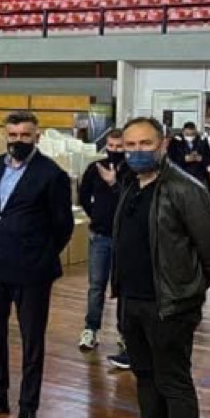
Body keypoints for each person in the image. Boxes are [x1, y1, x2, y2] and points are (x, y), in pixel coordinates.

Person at [105, 117, 210, 418]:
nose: (137, 151)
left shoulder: (185, 189)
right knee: (144, 375)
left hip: (170, 305)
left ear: (163, 144)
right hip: (132, 300)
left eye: (145, 143)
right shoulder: (130, 184)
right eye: (130, 145)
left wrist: (188, 292)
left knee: (174, 382)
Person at [0, 111, 74, 418]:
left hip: (32, 270)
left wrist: (40, 253)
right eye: (12, 135)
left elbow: (63, 226)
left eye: (25, 135)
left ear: (36, 136)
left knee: (31, 341)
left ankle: (28, 408)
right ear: (5, 135)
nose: (18, 141)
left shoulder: (51, 174)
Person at [77, 129, 129, 359]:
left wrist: (115, 182)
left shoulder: (132, 171)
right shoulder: (94, 168)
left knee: (124, 287)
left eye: (119, 147)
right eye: (111, 146)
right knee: (96, 285)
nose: (114, 150)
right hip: (100, 235)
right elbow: (83, 195)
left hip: (125, 238)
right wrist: (95, 215)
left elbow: (132, 201)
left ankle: (125, 332)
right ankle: (91, 328)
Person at [168, 122, 210, 204]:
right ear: (183, 131)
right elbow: (170, 159)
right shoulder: (176, 141)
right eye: (187, 134)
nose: (190, 136)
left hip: (199, 176)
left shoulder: (202, 140)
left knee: (200, 202)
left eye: (192, 134)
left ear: (195, 131)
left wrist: (201, 159)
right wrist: (184, 159)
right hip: (181, 176)